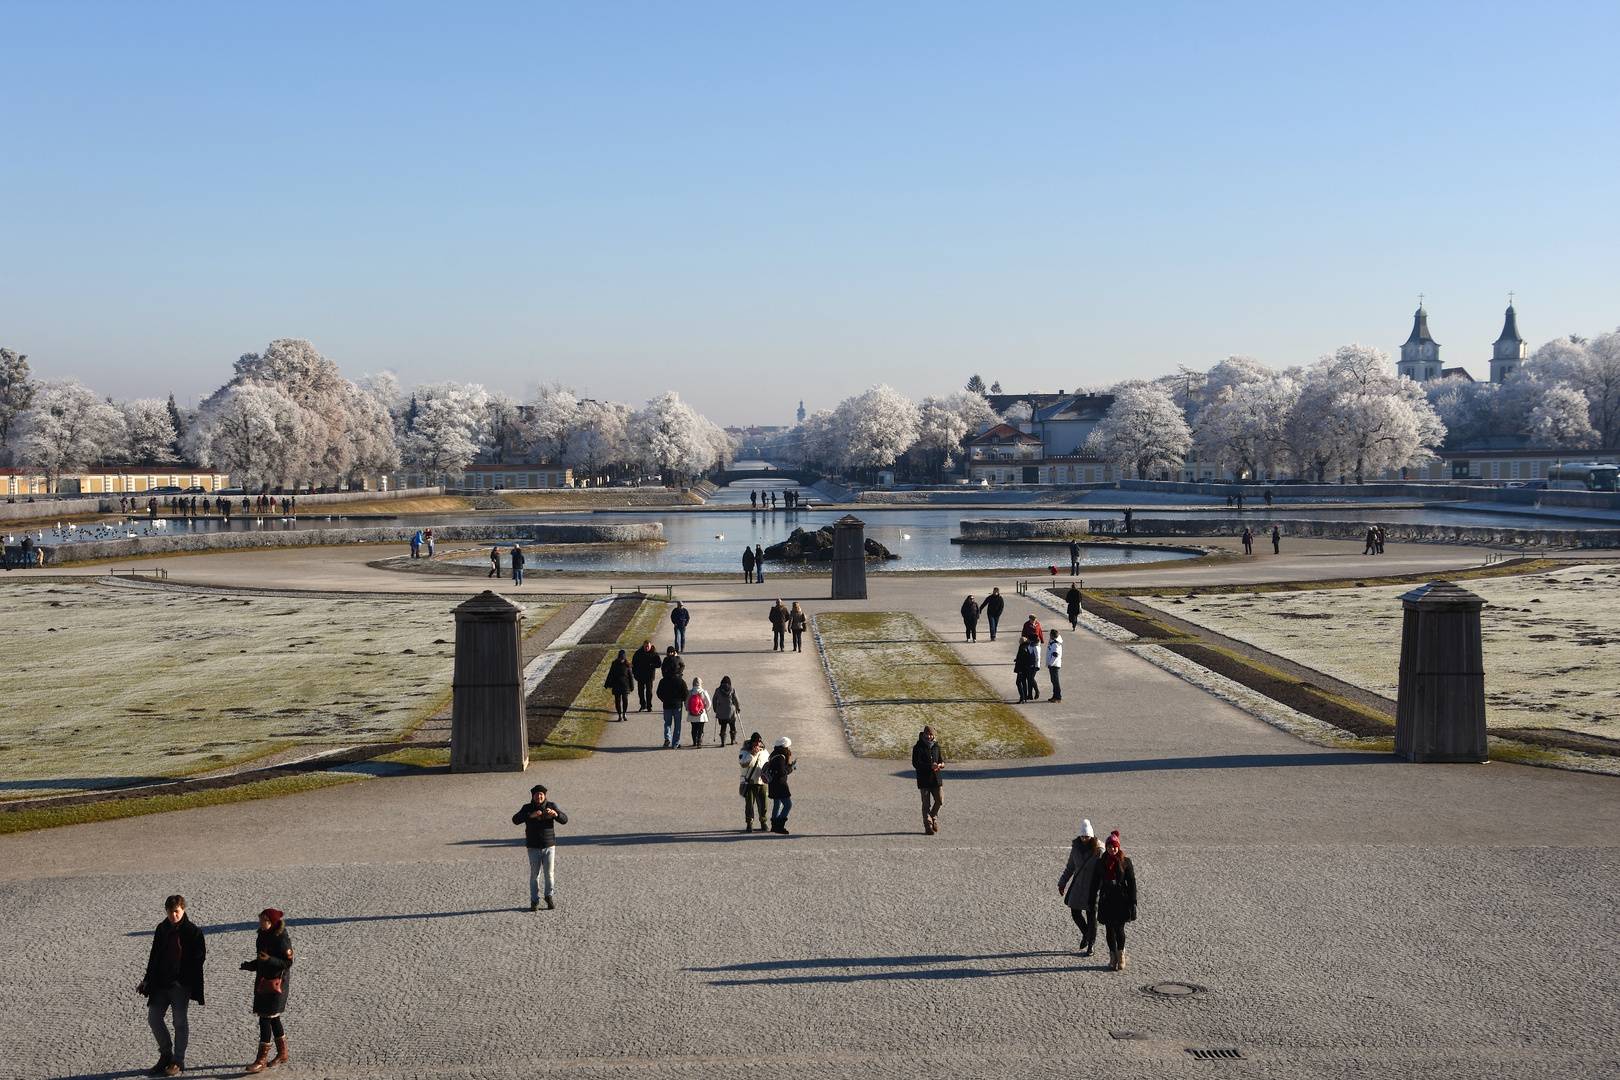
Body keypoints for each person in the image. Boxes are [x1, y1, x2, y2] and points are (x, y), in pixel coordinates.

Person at [139, 894, 206, 1077]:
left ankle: (178, 1059)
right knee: (154, 1018)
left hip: (179, 985)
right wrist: (147, 979)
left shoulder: (193, 932)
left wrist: (182, 979)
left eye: (176, 912)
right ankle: (166, 1054)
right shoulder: (161, 929)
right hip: (160, 983)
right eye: (170, 912)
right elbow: (154, 956)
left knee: (179, 1021)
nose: (173, 915)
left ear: (183, 910)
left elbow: (198, 959)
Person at [240, 907, 294, 1073]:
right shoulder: (262, 937)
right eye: (261, 920)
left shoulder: (281, 939)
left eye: (265, 921)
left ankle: (260, 1060)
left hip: (276, 986)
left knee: (265, 1019)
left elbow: (287, 963)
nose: (262, 923)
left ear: (273, 923)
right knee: (273, 1019)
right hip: (264, 983)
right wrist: (251, 965)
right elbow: (261, 960)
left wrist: (270, 960)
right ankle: (282, 1054)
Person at [1088, 830, 1138, 971]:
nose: (1112, 849)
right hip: (1107, 899)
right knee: (1109, 929)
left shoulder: (1126, 862)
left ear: (1118, 847)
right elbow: (1095, 882)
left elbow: (1132, 883)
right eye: (1110, 847)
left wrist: (1133, 902)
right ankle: (1112, 956)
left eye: (1114, 847)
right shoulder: (1101, 863)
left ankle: (1121, 954)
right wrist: (1091, 900)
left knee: (1119, 929)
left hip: (1121, 899)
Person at [512, 784, 568, 910]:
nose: (539, 796)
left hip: (549, 846)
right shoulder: (527, 808)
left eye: (541, 794)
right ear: (533, 796)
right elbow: (515, 819)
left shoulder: (551, 806)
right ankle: (534, 900)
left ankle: (549, 896)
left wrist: (556, 815)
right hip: (533, 847)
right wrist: (529, 816)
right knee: (534, 875)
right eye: (537, 794)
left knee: (549, 874)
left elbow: (565, 819)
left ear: (545, 796)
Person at [1057, 821, 1100, 957]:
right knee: (1075, 912)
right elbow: (1070, 867)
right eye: (1083, 836)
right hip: (1078, 886)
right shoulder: (1076, 848)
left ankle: (1091, 944)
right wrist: (1062, 882)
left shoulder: (1099, 850)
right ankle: (1086, 933)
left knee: (1091, 915)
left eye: (1087, 837)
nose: (1084, 839)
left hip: (1092, 889)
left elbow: (1104, 871)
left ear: (1091, 836)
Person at [912, 725, 943, 835]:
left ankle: (933, 818)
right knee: (926, 804)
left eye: (931, 734)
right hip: (924, 780)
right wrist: (929, 766)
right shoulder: (918, 747)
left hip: (936, 779)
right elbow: (916, 763)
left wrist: (942, 764)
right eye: (927, 734)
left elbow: (940, 759)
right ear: (924, 734)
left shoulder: (936, 746)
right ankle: (928, 826)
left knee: (940, 800)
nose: (929, 736)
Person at [739, 732, 769, 832]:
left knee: (763, 804)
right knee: (749, 805)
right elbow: (743, 764)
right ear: (751, 742)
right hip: (749, 782)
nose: (757, 744)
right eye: (755, 742)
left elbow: (767, 764)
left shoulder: (764, 752)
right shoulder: (744, 751)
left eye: (759, 742)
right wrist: (752, 755)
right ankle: (749, 823)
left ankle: (763, 822)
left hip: (761, 782)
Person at [765, 737, 795, 834]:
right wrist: (791, 769)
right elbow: (782, 772)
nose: (790, 747)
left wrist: (788, 766)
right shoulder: (781, 757)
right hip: (780, 785)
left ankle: (774, 826)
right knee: (788, 805)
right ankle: (780, 826)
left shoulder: (775, 754)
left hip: (773, 784)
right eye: (789, 746)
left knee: (777, 805)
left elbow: (778, 768)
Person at [657, 664, 688, 748]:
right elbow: (685, 693)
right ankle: (675, 743)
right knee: (677, 724)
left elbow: (658, 693)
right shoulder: (680, 681)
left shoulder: (663, 681)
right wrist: (681, 700)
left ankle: (667, 738)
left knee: (667, 722)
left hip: (667, 704)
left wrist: (663, 699)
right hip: (677, 705)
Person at [631, 640, 660, 712]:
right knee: (640, 691)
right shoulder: (638, 653)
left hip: (649, 676)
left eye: (648, 646)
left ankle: (649, 706)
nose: (647, 648)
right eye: (646, 646)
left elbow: (659, 664)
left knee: (649, 692)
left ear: (650, 646)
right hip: (640, 675)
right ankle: (642, 705)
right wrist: (634, 673)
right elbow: (633, 664)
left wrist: (652, 665)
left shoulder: (654, 654)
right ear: (643, 646)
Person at [604, 649, 634, 721]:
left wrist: (631, 686)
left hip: (625, 685)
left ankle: (624, 713)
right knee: (617, 700)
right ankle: (619, 714)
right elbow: (610, 674)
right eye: (620, 658)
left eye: (623, 658)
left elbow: (630, 676)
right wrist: (607, 683)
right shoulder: (614, 664)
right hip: (616, 684)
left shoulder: (627, 665)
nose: (621, 660)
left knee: (625, 699)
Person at [712, 675, 741, 746]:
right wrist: (738, 709)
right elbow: (737, 701)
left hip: (721, 712)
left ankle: (723, 742)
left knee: (723, 726)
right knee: (732, 725)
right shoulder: (732, 690)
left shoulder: (718, 690)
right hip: (731, 711)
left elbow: (714, 700)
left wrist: (715, 709)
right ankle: (732, 740)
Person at [686, 676, 712, 747]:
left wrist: (688, 709)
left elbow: (687, 702)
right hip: (701, 714)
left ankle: (694, 741)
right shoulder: (703, 692)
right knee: (700, 728)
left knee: (694, 728)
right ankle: (699, 742)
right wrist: (706, 709)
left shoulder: (690, 692)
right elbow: (708, 702)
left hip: (692, 714)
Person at [1013, 634, 1040, 703]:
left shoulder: (1023, 648)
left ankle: (1023, 697)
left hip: (1022, 669)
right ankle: (1025, 696)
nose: (1019, 642)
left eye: (1020, 641)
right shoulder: (1027, 647)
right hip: (1026, 668)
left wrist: (1020, 670)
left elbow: (1022, 660)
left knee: (1019, 682)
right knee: (1024, 682)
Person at [1046, 631, 1063, 703]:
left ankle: (1058, 696)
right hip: (1053, 664)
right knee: (1053, 680)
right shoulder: (1053, 643)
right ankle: (1054, 695)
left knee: (1055, 681)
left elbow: (1055, 655)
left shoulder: (1055, 644)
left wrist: (1051, 664)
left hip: (1054, 665)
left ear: (1052, 635)